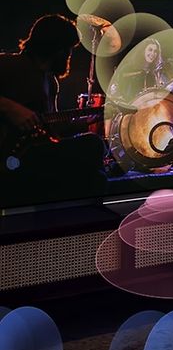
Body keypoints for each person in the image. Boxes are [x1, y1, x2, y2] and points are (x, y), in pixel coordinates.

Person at [0, 14, 106, 207]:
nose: (69, 55)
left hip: (33, 152)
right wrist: (10, 107)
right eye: (68, 49)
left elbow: (54, 128)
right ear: (57, 49)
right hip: (8, 154)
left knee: (95, 161)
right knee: (93, 147)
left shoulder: (50, 81)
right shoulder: (8, 65)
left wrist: (85, 122)